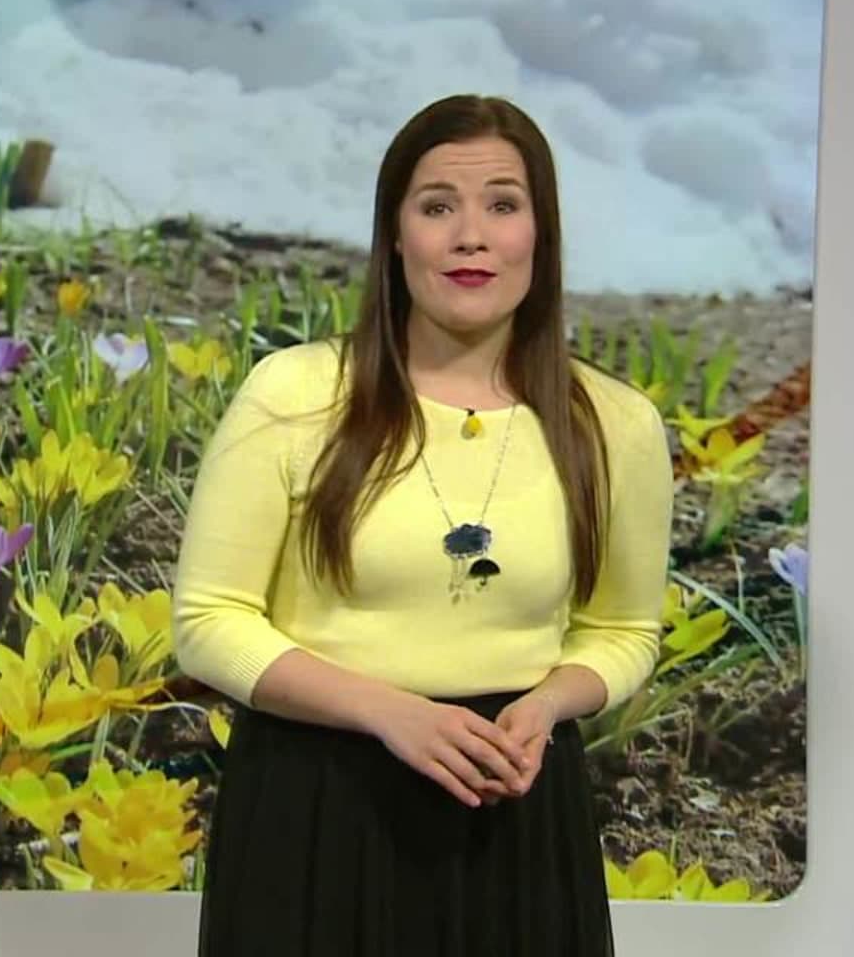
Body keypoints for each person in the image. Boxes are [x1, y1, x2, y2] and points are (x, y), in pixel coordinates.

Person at [171, 94, 673, 957]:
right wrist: (391, 714)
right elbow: (209, 622)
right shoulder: (294, 395)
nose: (471, 236)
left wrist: (548, 703)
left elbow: (624, 630)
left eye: (503, 206)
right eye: (438, 207)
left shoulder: (613, 425)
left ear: (541, 235)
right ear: (396, 237)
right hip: (316, 810)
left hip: (514, 813)